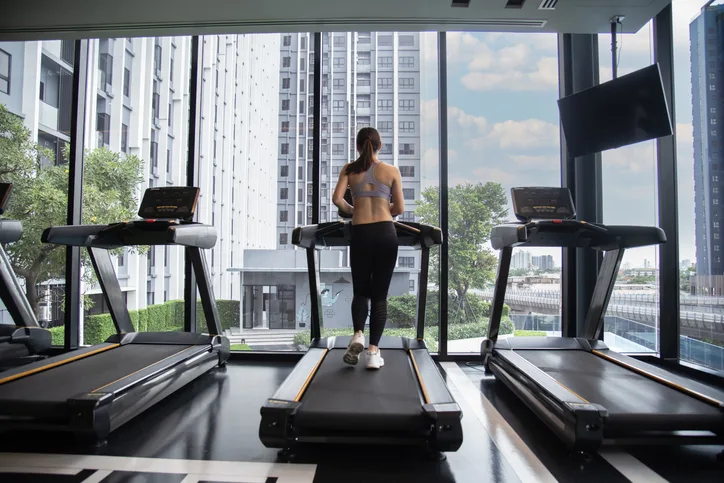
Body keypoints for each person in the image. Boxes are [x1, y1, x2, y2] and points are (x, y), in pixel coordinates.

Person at [332, 127, 404, 370]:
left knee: (361, 291)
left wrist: (355, 210)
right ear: (379, 146)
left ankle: (358, 335)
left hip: (361, 233)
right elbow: (399, 209)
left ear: (357, 147)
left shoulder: (349, 169)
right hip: (385, 233)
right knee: (380, 295)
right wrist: (383, 208)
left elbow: (337, 199)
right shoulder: (391, 170)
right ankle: (373, 353)